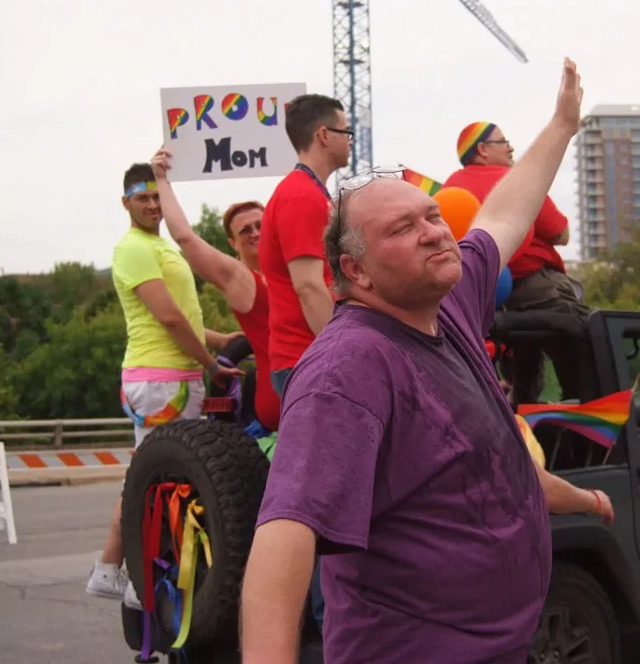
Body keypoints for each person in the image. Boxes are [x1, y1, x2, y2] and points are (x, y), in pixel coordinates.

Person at [241, 58, 608, 664]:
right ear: (356, 271)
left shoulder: (449, 304)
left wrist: (562, 125)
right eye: (402, 229)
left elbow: (504, 215)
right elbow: (284, 536)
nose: (435, 232)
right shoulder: (347, 367)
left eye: (433, 216)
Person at [85, 162, 241, 607]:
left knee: (151, 476)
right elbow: (169, 318)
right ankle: (137, 579)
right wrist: (212, 364)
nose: (153, 205)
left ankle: (112, 569)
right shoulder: (133, 248)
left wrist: (220, 340)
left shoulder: (160, 245)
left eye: (157, 196)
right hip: (161, 380)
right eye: (143, 198)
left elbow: (182, 317)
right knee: (160, 482)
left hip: (171, 377)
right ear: (125, 203)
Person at [444, 121, 590, 405]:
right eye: (503, 141)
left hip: (479, 294)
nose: (511, 147)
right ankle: (585, 423)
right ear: (483, 149)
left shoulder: (451, 185)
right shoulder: (516, 180)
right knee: (583, 348)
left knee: (519, 376)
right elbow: (560, 233)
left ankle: (516, 415)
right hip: (535, 284)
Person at [148, 147, 281, 433]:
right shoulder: (241, 279)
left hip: (310, 383)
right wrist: (162, 181)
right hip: (284, 395)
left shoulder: (294, 271)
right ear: (232, 243)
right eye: (246, 230)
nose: (256, 233)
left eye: (261, 225)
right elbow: (185, 237)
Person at [259, 93, 352, 399]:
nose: (350, 140)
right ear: (324, 135)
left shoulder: (309, 192)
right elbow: (309, 287)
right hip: (308, 357)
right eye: (346, 131)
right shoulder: (301, 196)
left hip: (309, 356)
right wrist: (344, 352)